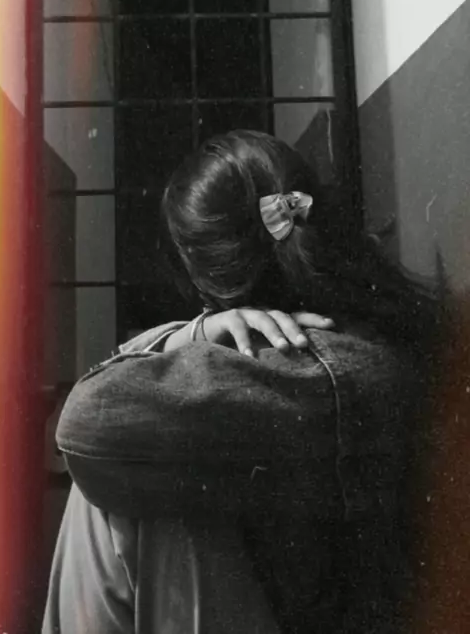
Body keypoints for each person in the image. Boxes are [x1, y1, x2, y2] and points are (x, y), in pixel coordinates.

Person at [43, 130, 439, 634]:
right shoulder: (362, 340)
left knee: (122, 490)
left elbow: (85, 423)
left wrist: (194, 334)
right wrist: (199, 330)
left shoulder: (311, 367)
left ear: (205, 274)